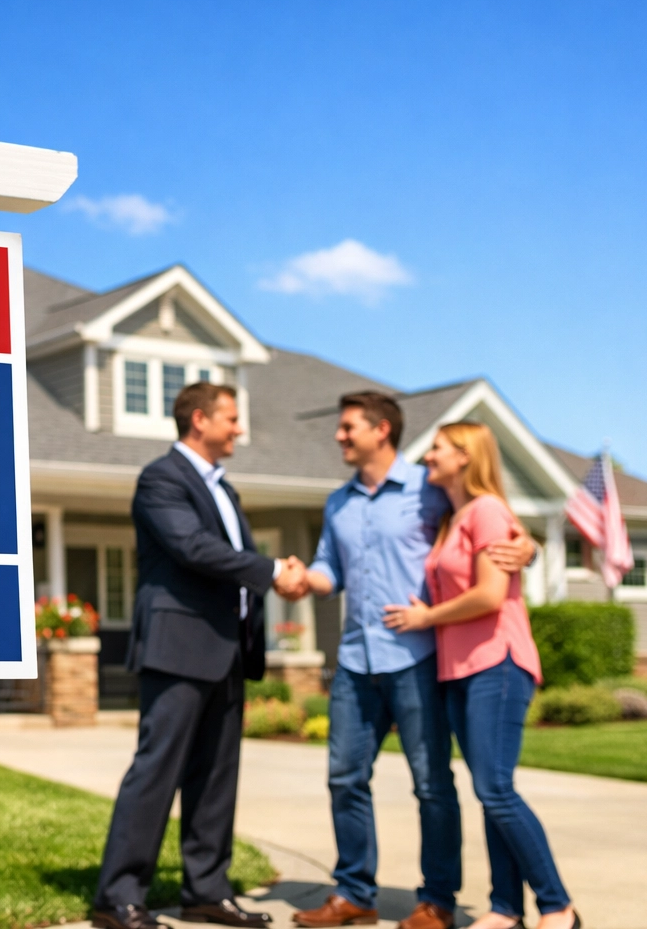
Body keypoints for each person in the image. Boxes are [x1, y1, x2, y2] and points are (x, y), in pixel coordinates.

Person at [288, 393, 534, 929]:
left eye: (348, 427)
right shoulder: (339, 503)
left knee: (431, 784)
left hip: (417, 658)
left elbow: (489, 517)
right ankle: (354, 893)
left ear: (381, 430)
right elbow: (332, 568)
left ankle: (437, 900)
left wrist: (528, 543)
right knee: (345, 776)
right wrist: (306, 580)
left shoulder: (431, 488)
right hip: (356, 659)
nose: (339, 436)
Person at [92, 382, 309, 929]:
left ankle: (206, 890)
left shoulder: (224, 490)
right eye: (231, 418)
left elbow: (226, 556)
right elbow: (193, 548)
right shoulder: (162, 478)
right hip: (178, 647)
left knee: (216, 775)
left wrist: (272, 576)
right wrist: (270, 572)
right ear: (198, 420)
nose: (239, 428)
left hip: (227, 650)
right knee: (156, 771)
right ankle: (118, 898)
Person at [383, 422, 578, 929]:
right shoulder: (455, 517)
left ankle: (558, 906)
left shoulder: (488, 509)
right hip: (460, 671)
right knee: (492, 790)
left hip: (499, 662)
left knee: (495, 789)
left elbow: (491, 595)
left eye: (439, 449)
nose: (429, 457)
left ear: (466, 456)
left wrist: (426, 617)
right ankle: (505, 909)